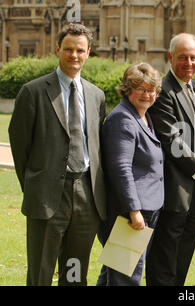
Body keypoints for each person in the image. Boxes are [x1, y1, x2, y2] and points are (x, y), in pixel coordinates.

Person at [8, 23, 107, 286]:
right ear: (57, 50)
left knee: (75, 271)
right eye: (68, 49)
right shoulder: (33, 92)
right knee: (41, 271)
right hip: (47, 196)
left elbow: (97, 147)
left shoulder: (96, 95)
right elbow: (20, 146)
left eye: (80, 50)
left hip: (87, 196)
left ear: (88, 53)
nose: (74, 55)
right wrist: (36, 182)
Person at [147, 33, 195, 286]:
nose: (189, 63)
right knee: (165, 264)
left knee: (182, 262)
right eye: (183, 58)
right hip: (175, 192)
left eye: (193, 58)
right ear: (170, 58)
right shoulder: (163, 92)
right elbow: (173, 141)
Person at [96, 63, 164, 286]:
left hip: (144, 208)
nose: (147, 95)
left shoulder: (141, 115)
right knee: (126, 277)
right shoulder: (123, 119)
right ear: (128, 89)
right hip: (130, 213)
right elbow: (121, 168)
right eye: (141, 89)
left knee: (113, 273)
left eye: (151, 90)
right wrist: (134, 211)